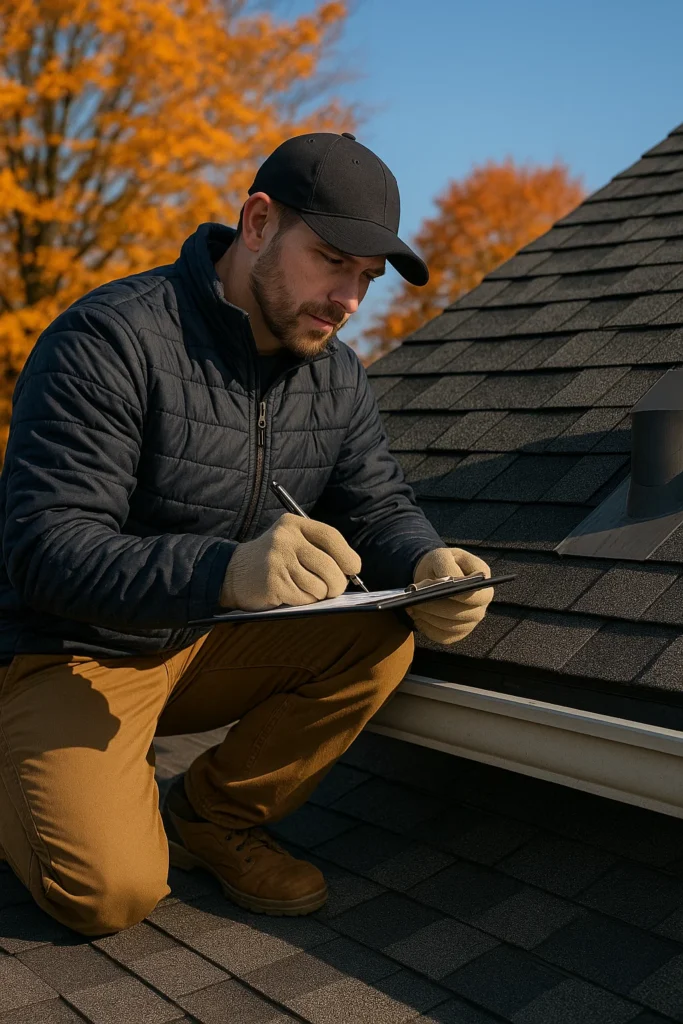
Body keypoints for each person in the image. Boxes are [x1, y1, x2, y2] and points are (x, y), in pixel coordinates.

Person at [0, 132, 493, 936]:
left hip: (203, 641)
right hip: (69, 650)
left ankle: (213, 817)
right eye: (332, 260)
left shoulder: (336, 374)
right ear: (258, 222)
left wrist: (427, 560)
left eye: (365, 279)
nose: (349, 300)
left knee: (377, 637)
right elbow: (44, 550)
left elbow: (375, 504)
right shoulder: (109, 340)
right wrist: (227, 571)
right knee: (109, 894)